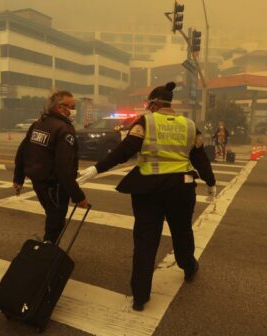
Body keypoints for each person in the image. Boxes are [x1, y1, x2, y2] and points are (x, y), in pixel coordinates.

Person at [76, 82, 216, 311]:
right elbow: (200, 157)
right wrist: (210, 183)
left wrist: (97, 169)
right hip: (181, 189)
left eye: (147, 103)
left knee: (145, 241)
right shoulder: (190, 126)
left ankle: (140, 296)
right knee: (182, 232)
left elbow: (125, 150)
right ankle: (188, 267)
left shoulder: (146, 121)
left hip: (148, 190)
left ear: (154, 103)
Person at [13, 90, 89, 244]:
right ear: (60, 107)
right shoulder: (63, 129)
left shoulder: (39, 123)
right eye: (72, 106)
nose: (74, 110)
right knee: (56, 220)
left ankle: (47, 248)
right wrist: (78, 196)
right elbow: (64, 168)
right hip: (54, 186)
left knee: (52, 215)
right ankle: (46, 252)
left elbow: (22, 151)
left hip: (39, 182)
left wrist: (18, 178)